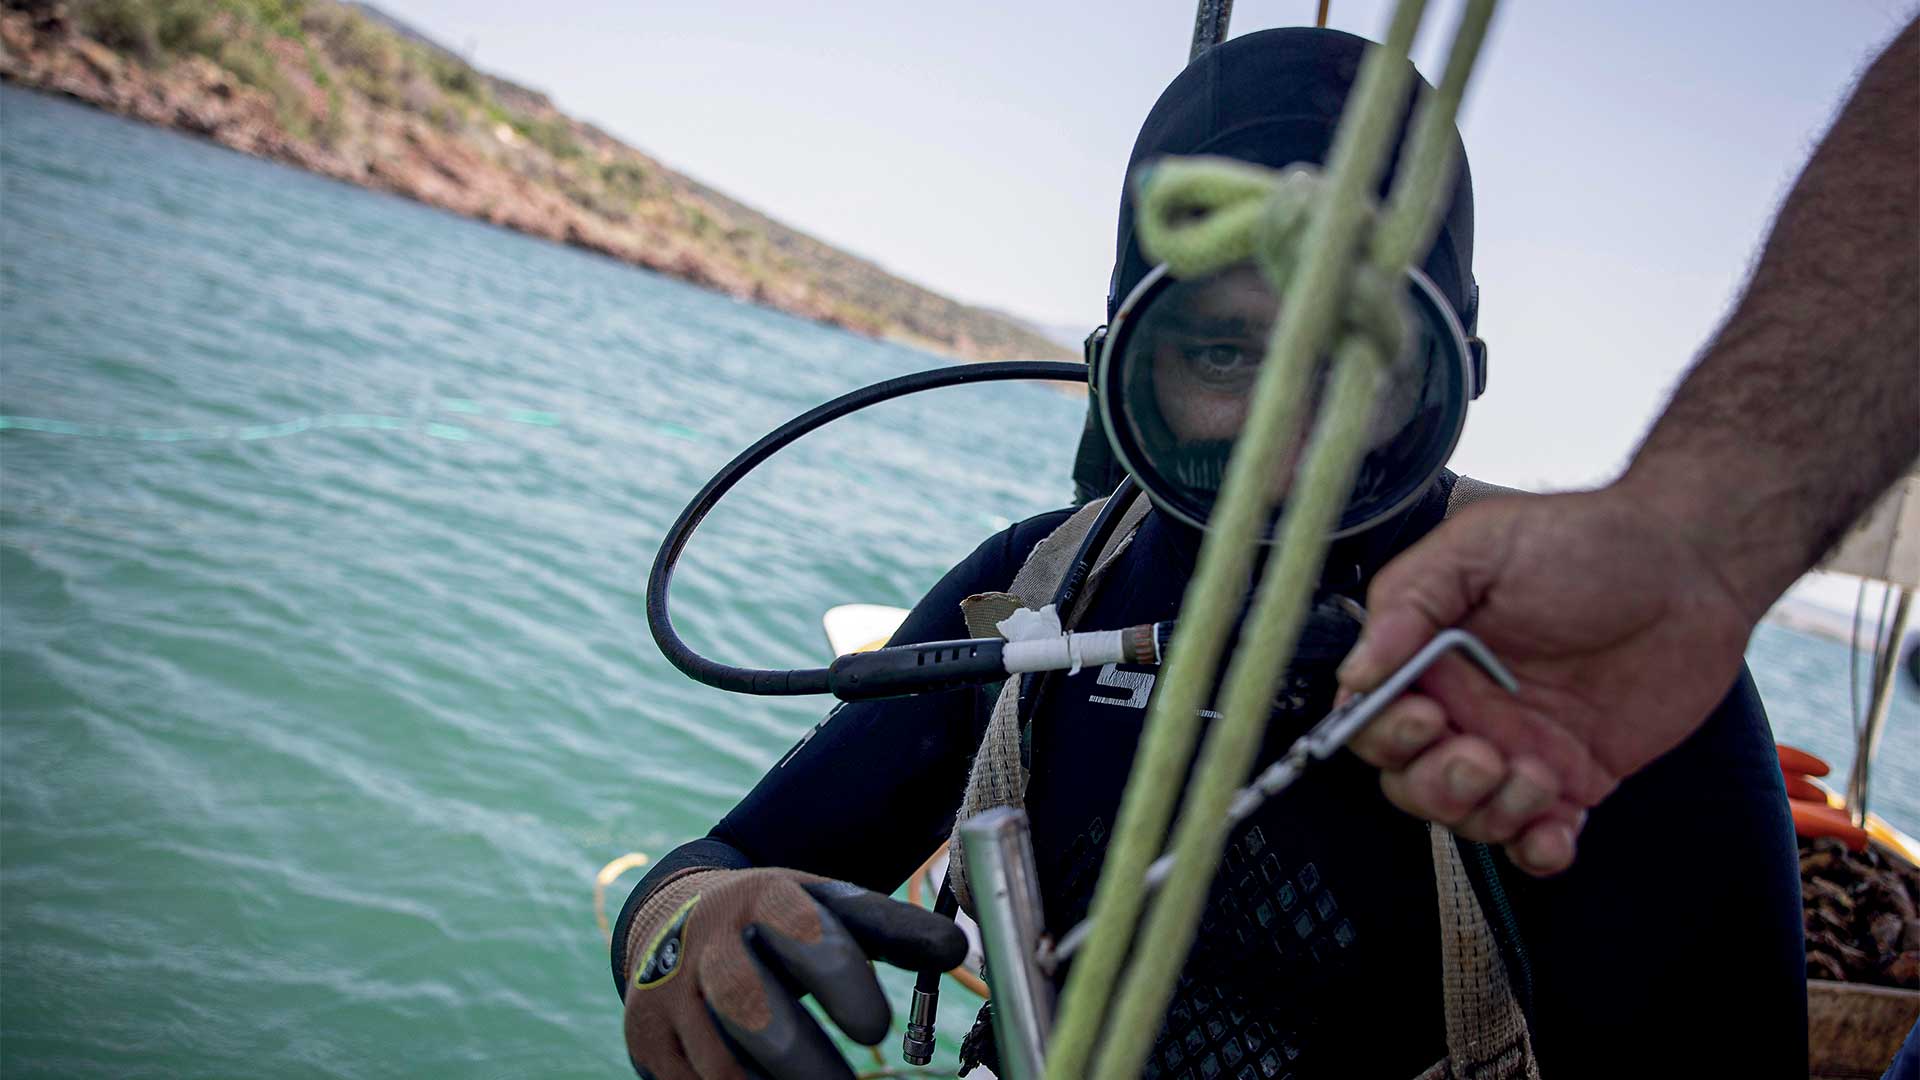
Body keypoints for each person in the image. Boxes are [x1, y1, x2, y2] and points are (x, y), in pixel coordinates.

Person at [613, 28, 1807, 1080]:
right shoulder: (1037, 589)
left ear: (1455, 385)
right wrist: (696, 932)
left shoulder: (1586, 658)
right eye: (1223, 357)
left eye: (1347, 357)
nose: (1284, 446)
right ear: (1123, 373)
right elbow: (717, 864)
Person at [1337, 13, 1919, 877]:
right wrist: (1692, 548)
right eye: (1219, 355)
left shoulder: (1677, 740)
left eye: (1364, 359)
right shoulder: (1057, 574)